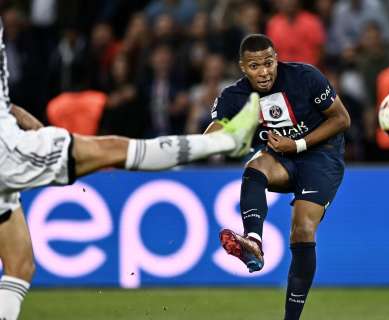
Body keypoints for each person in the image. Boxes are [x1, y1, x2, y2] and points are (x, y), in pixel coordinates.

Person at [0, 20, 261, 320]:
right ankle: (227, 140)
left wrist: (13, 111)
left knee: (19, 265)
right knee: (114, 150)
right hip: (4, 147)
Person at [206, 34, 350, 320]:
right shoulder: (234, 97)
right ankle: (254, 243)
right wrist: (204, 143)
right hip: (282, 157)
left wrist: (297, 144)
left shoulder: (305, 77)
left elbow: (341, 119)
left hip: (321, 157)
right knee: (254, 168)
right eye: (255, 66)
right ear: (243, 67)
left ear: (277, 59)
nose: (264, 71)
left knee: (302, 230)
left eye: (269, 63)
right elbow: (213, 132)